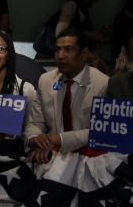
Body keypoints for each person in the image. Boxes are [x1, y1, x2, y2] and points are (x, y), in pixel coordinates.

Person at [24, 28, 109, 163]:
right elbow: (35, 122)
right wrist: (36, 139)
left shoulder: (103, 84)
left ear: (84, 54)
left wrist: (58, 140)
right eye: (58, 50)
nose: (61, 55)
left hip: (89, 157)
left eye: (69, 49)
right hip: (49, 153)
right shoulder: (45, 80)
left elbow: (100, 132)